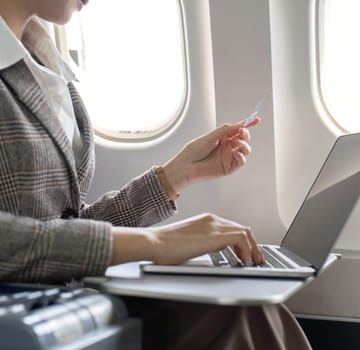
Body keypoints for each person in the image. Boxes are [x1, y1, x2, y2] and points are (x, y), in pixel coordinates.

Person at [0, 0, 312, 349]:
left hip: (64, 295)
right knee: (231, 315)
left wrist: (176, 176)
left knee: (247, 304)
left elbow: (66, 223)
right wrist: (156, 243)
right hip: (27, 311)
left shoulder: (42, 62)